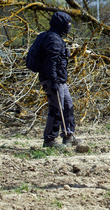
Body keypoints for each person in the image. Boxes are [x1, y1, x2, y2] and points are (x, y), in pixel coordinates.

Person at [40, 11, 82, 148]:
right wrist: (53, 82)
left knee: (68, 106)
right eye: (67, 24)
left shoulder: (56, 38)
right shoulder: (53, 40)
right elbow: (50, 63)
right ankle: (49, 140)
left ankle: (68, 136)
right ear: (60, 24)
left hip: (60, 80)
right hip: (54, 80)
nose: (69, 26)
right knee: (56, 109)